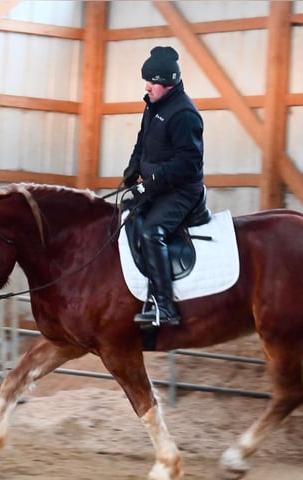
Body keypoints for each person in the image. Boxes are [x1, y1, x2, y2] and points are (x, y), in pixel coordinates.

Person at [121, 46, 208, 327]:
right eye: (146, 81)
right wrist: (131, 172)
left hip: (181, 191)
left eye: (152, 82)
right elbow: (142, 142)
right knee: (124, 217)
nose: (147, 87)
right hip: (156, 187)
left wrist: (149, 185)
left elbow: (188, 163)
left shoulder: (184, 114)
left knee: (150, 231)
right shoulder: (153, 104)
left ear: (168, 83)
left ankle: (165, 305)